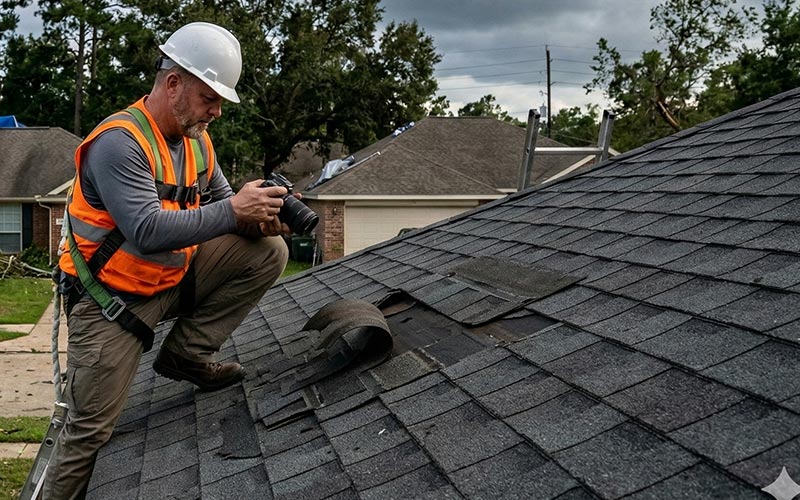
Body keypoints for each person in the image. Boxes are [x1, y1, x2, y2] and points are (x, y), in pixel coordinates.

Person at [43, 22, 292, 499]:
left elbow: (224, 212)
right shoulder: (120, 142)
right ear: (174, 83)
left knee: (268, 252)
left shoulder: (197, 140)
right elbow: (146, 229)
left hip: (170, 280)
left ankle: (186, 354)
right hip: (111, 303)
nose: (216, 112)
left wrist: (260, 219)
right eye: (209, 98)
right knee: (90, 432)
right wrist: (232, 210)